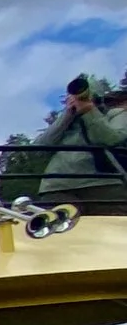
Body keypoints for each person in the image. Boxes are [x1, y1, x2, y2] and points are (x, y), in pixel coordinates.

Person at [25, 73, 127, 217]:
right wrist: (68, 114)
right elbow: (38, 149)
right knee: (62, 233)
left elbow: (110, 139)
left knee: (112, 231)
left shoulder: (115, 115)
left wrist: (90, 112)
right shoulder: (68, 118)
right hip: (58, 186)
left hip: (104, 182)